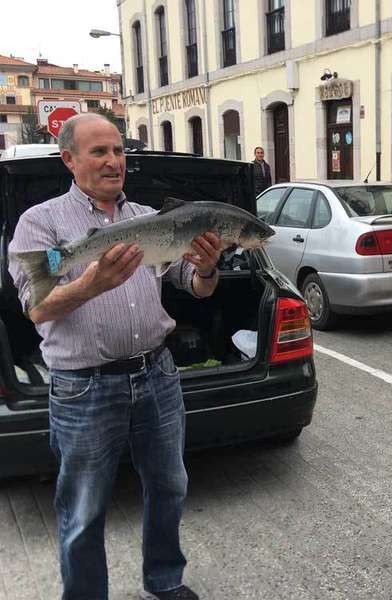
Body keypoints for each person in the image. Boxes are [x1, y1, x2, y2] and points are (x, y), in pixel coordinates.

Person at [8, 113, 222, 600]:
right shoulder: (43, 226)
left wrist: (208, 268)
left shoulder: (148, 220)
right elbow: (36, 307)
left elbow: (191, 285)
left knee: (169, 488)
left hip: (157, 377)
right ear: (69, 159)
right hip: (84, 389)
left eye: (118, 151)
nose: (113, 162)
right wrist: (91, 283)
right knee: (82, 510)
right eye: (99, 152)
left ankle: (164, 583)